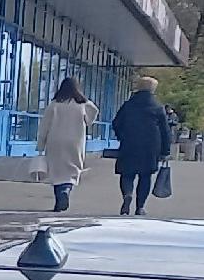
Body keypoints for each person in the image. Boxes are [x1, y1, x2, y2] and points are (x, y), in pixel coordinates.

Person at [111, 76, 176, 216]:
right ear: (153, 89)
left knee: (127, 173)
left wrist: (122, 136)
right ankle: (140, 206)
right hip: (151, 146)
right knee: (145, 176)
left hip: (129, 144)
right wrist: (165, 150)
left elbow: (116, 123)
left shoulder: (128, 104)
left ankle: (127, 194)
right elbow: (165, 131)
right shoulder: (157, 107)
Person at [36, 78, 97, 213]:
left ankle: (59, 199)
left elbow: (44, 126)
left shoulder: (54, 105)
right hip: (75, 141)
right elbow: (93, 112)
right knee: (72, 169)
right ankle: (66, 189)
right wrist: (84, 100)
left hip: (55, 141)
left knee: (57, 170)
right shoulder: (82, 105)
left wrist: (40, 144)